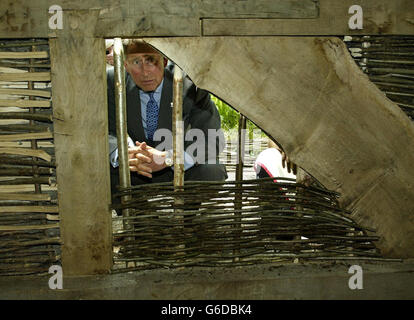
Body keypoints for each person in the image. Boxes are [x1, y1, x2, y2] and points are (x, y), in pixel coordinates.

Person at [107, 39, 227, 199]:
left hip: (179, 169)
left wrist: (170, 158)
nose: (145, 72)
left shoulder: (189, 83)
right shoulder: (113, 81)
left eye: (151, 60)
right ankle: (141, 217)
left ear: (164, 60)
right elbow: (100, 129)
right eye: (136, 62)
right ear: (125, 65)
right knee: (100, 171)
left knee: (212, 170)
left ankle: (186, 218)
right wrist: (123, 155)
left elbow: (212, 138)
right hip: (136, 171)